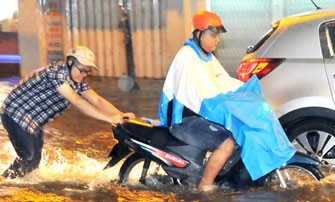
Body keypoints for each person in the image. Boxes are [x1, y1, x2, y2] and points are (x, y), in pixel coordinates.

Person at [159, 11, 296, 192]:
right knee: (227, 143)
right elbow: (192, 96)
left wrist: (247, 92)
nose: (217, 40)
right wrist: (223, 105)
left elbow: (224, 84)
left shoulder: (208, 58)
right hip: (185, 120)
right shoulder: (187, 56)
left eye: (218, 36)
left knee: (244, 131)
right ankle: (204, 187)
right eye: (213, 35)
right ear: (199, 34)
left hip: (202, 115)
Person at [0, 45, 135, 179]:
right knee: (29, 158)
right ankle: (5, 184)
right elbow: (77, 101)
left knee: (34, 160)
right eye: (82, 70)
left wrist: (121, 115)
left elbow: (97, 100)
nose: (84, 75)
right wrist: (110, 119)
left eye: (87, 72)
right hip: (15, 113)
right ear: (70, 62)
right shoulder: (57, 73)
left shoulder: (77, 79)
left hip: (33, 119)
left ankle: (12, 180)